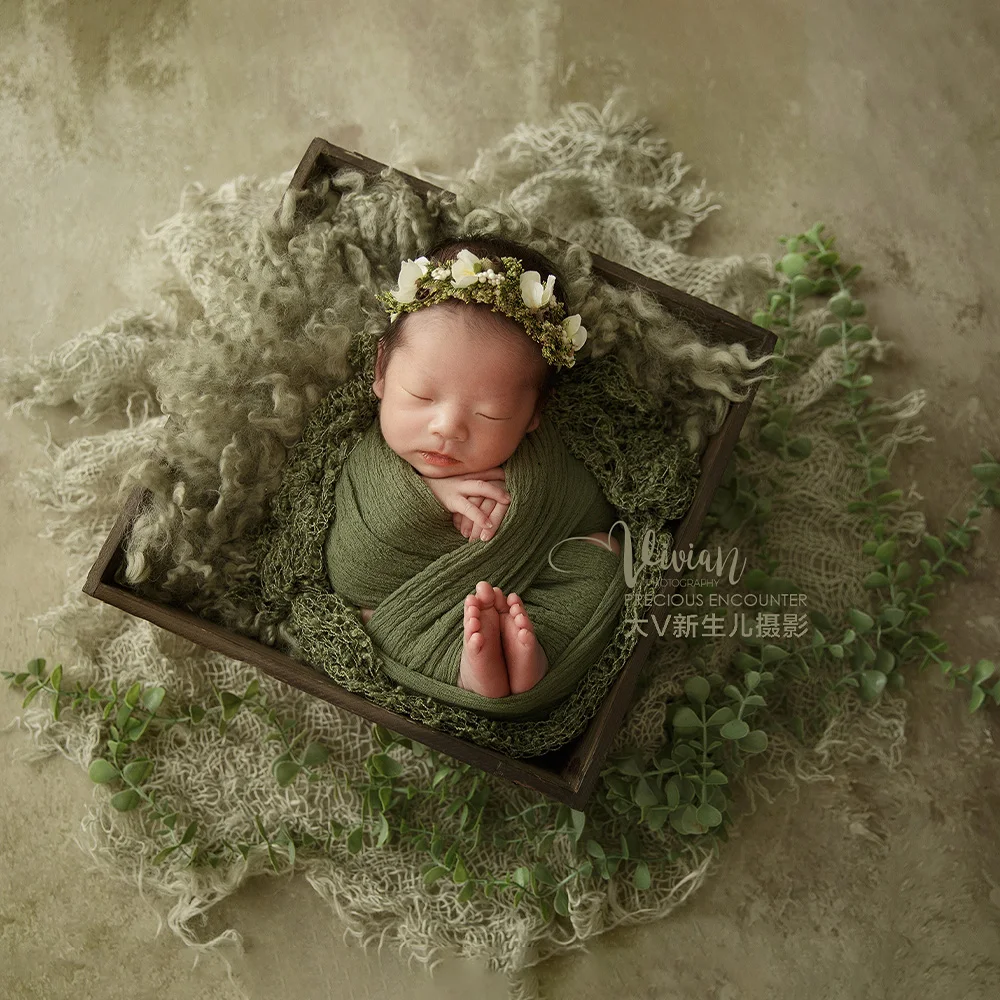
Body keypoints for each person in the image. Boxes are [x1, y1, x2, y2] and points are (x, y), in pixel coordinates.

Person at [343, 233, 622, 700]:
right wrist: (429, 497)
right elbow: (352, 549)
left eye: (490, 414)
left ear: (534, 416)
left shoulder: (545, 458)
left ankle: (532, 655)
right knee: (366, 571)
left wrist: (523, 512)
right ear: (382, 372)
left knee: (604, 555)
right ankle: (462, 669)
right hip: (398, 594)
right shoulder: (364, 446)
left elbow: (585, 509)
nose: (448, 427)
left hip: (531, 587)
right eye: (421, 396)